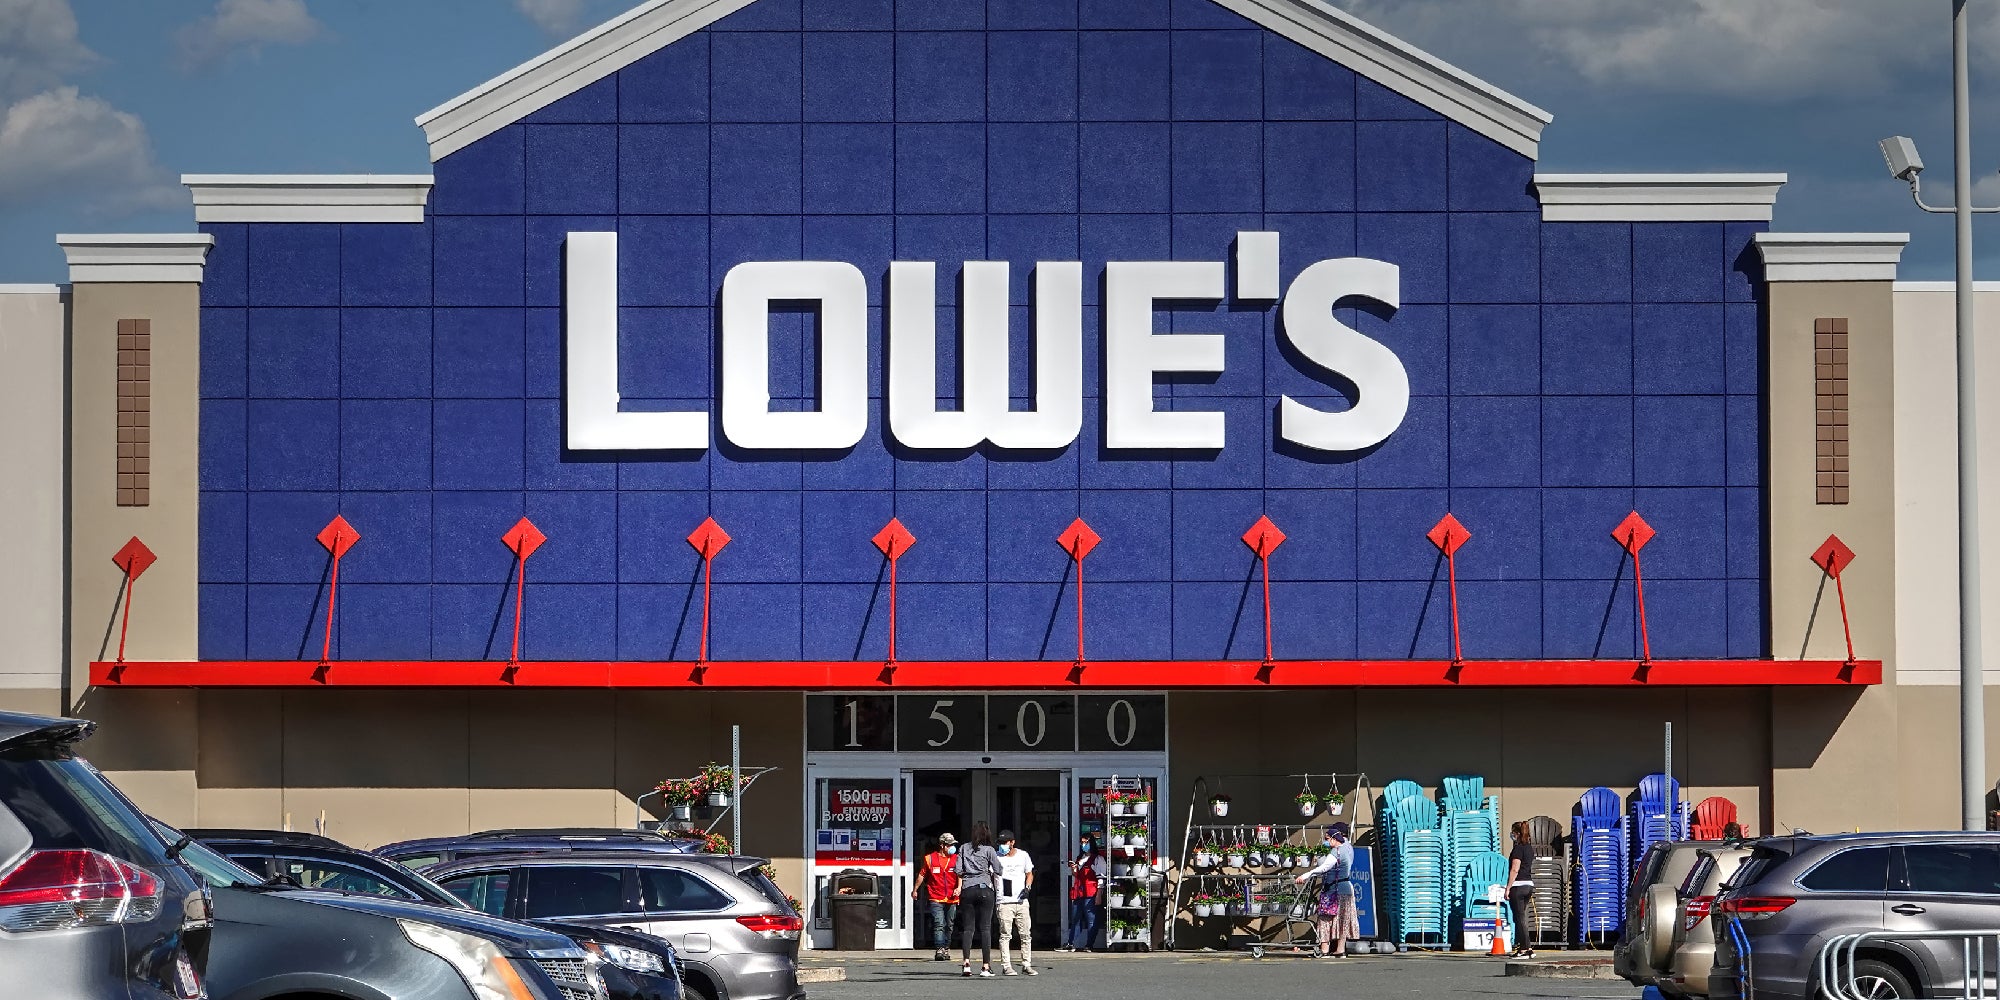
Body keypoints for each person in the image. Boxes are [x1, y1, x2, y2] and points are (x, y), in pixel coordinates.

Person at [1294, 823, 1357, 958]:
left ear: (1336, 836)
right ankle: (1340, 950)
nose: (1326, 841)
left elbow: (1324, 867)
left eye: (1328, 838)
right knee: (1343, 920)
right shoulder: (1349, 848)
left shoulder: (1337, 851)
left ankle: (1324, 949)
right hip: (1346, 888)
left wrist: (1305, 875)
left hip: (1334, 889)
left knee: (1325, 918)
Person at [955, 821, 1003, 978]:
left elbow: (958, 870)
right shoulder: (989, 850)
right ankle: (985, 966)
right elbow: (998, 870)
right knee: (985, 928)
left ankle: (966, 963)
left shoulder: (963, 848)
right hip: (984, 888)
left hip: (967, 889)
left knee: (968, 928)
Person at [993, 829, 1039, 976]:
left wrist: (1028, 887)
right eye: (1000, 843)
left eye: (1004, 843)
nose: (1002, 846)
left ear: (1012, 842)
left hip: (1021, 900)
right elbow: (990, 875)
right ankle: (1006, 965)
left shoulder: (1023, 855)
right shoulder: (996, 856)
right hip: (1004, 901)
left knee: (1025, 934)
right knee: (1005, 934)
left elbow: (1029, 873)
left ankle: (1026, 964)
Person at [913, 833, 961, 961]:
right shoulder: (930, 859)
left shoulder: (956, 859)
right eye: (949, 845)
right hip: (936, 896)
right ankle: (939, 948)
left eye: (953, 845)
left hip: (952, 897)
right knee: (939, 923)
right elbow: (922, 874)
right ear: (942, 845)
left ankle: (946, 948)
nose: (952, 847)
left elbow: (960, 875)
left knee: (949, 924)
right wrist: (915, 889)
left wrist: (959, 888)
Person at [1061, 833, 1103, 952]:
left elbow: (1101, 878)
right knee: (1075, 918)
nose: (1084, 845)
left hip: (1091, 893)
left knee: (1091, 920)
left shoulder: (1098, 859)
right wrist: (1074, 869)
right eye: (1082, 842)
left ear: (1092, 843)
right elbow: (1076, 875)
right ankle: (1071, 943)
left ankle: (1089, 945)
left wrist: (1099, 895)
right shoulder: (1080, 858)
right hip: (1079, 892)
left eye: (1086, 842)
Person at [1505, 821, 1537, 959]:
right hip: (1529, 884)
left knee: (1519, 918)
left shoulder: (1518, 849)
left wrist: (1508, 887)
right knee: (1520, 917)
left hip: (1518, 886)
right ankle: (1522, 947)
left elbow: (1515, 869)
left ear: (1516, 834)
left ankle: (1527, 948)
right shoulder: (1529, 848)